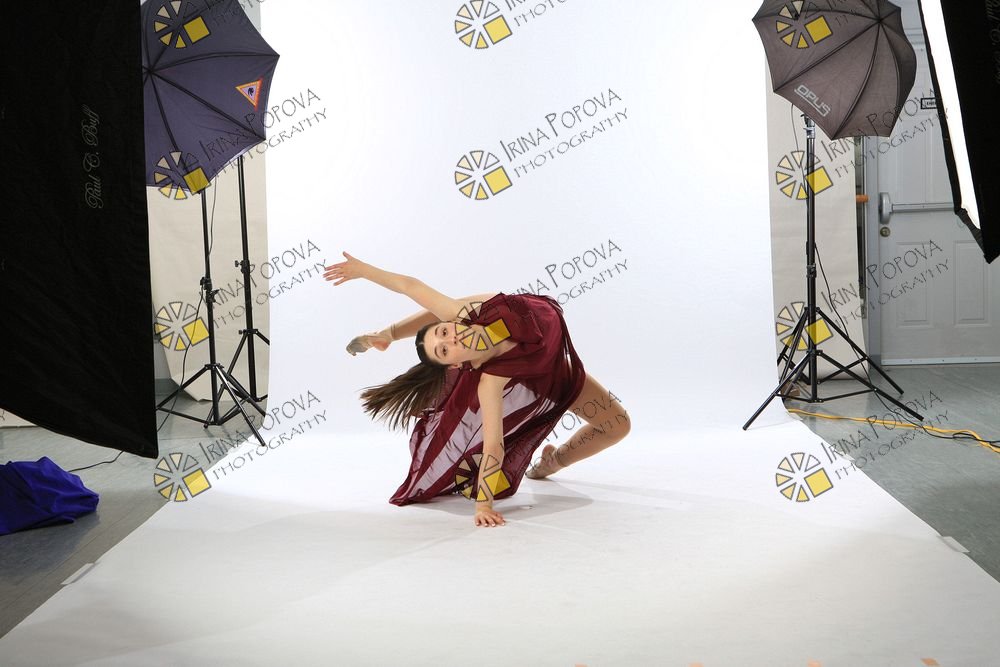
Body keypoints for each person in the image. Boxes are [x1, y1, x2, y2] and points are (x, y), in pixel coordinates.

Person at [324, 252, 630, 528]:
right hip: (549, 375)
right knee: (618, 425)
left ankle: (387, 334)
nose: (451, 340)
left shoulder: (472, 312)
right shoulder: (491, 380)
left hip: (542, 347)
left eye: (445, 331)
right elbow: (493, 446)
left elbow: (410, 286)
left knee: (617, 425)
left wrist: (364, 273)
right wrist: (484, 505)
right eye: (444, 350)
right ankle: (552, 463)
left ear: (453, 323)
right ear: (456, 366)